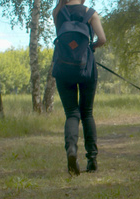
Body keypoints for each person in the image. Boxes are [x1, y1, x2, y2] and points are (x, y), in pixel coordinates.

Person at [52, 0, 106, 175]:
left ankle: (71, 151)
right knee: (87, 112)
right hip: (86, 68)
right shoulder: (91, 13)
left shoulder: (58, 12)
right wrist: (91, 47)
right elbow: (102, 39)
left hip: (63, 67)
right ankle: (92, 159)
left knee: (72, 113)